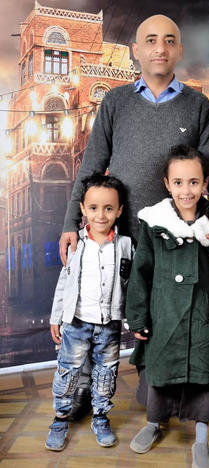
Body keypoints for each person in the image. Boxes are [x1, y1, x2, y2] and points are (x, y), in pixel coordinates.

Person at [58, 13, 209, 417]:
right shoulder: (116, 102)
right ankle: (83, 400)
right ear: (136, 50)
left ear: (178, 49)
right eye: (151, 40)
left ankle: (164, 407)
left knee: (164, 322)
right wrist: (72, 223)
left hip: (176, 241)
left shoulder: (197, 106)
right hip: (120, 239)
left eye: (169, 40)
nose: (160, 48)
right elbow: (91, 167)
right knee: (102, 323)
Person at [125, 145, 209, 468]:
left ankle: (201, 442)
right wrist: (137, 317)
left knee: (202, 377)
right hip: (163, 316)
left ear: (204, 184)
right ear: (167, 184)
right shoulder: (154, 223)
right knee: (159, 374)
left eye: (193, 182)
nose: (185, 190)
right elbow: (141, 274)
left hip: (202, 317)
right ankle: (153, 424)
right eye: (178, 182)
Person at [45, 174, 133, 451]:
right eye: (94, 208)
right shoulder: (76, 244)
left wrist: (132, 317)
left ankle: (101, 417)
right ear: (82, 208)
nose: (101, 215)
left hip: (109, 325)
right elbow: (64, 282)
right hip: (77, 322)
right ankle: (60, 419)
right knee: (67, 372)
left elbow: (131, 284)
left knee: (106, 374)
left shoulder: (126, 245)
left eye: (109, 208)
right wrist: (56, 317)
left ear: (119, 210)